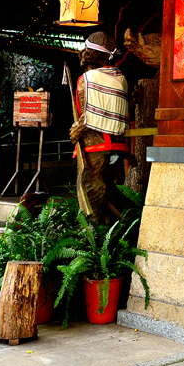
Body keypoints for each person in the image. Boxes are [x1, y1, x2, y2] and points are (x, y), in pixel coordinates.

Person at [69, 32, 134, 223]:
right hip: (117, 143)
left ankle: (93, 231)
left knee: (91, 188)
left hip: (95, 144)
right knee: (109, 187)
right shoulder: (119, 77)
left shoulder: (88, 79)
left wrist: (78, 128)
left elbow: (89, 113)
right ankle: (124, 223)